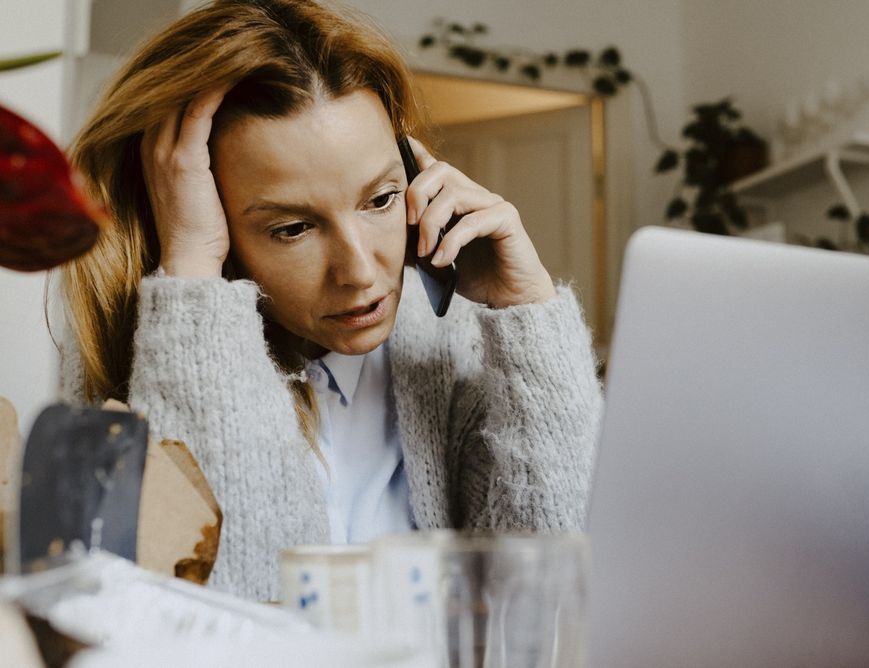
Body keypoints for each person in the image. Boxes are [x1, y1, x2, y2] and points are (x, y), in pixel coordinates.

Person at [59, 0, 601, 601]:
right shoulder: (154, 366)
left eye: (380, 200)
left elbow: (560, 595)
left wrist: (527, 315)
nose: (361, 270)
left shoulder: (458, 347)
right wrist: (190, 272)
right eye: (291, 228)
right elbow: (218, 608)